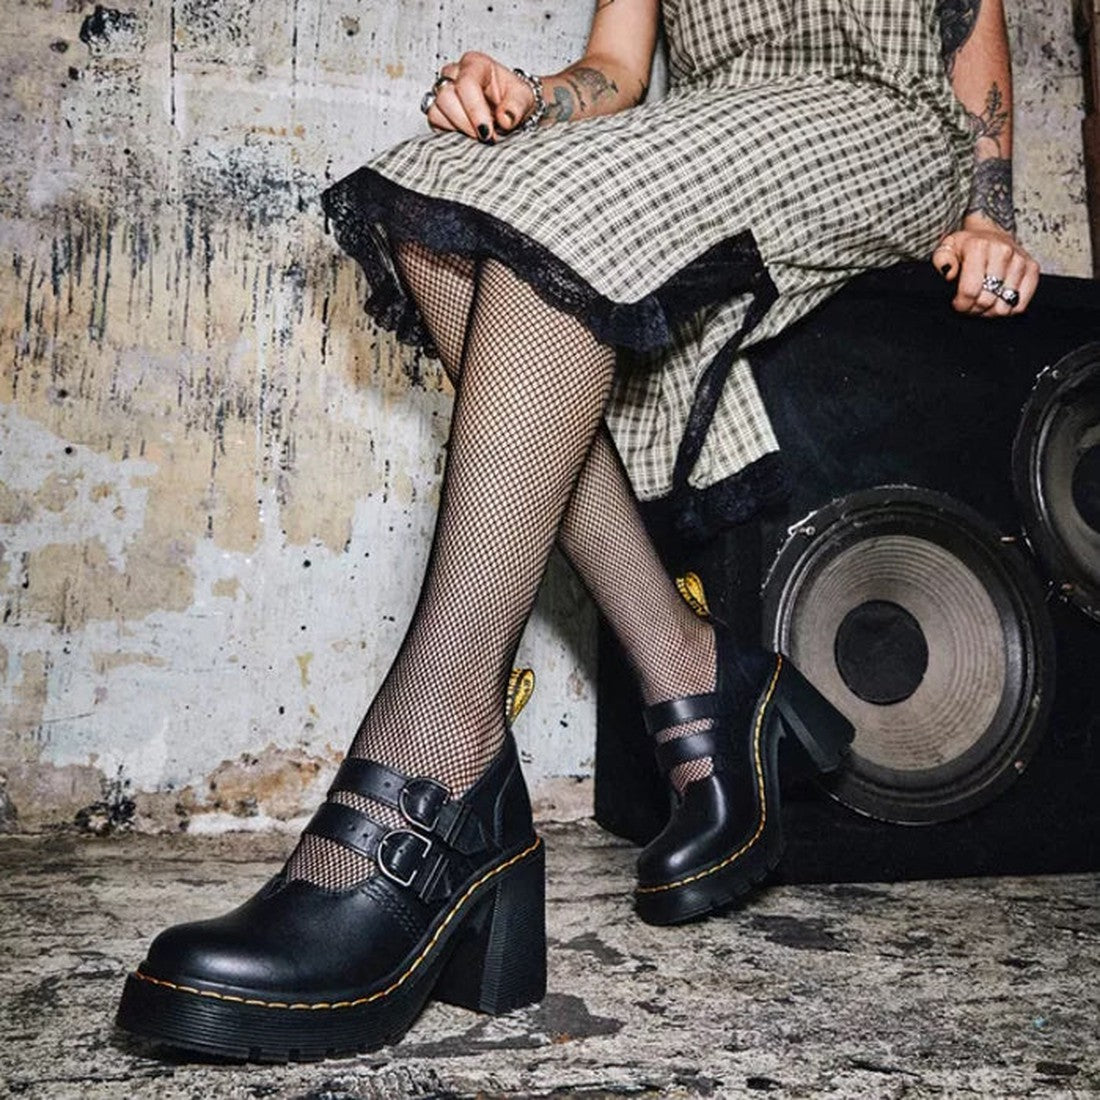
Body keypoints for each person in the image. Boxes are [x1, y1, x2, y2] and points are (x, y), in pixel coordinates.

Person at [115, 0, 1038, 1061]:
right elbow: (615, 66)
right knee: (434, 196)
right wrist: (530, 99)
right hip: (721, 126)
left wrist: (988, 207)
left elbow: (973, 31)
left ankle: (440, 757)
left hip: (882, 129)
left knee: (566, 222)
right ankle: (694, 667)